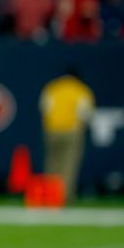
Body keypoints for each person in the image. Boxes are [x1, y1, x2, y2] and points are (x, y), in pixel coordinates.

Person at [39, 66, 95, 202]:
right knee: (69, 165)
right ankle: (64, 197)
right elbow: (86, 113)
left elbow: (44, 108)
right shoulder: (81, 90)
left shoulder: (53, 87)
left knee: (52, 163)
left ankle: (50, 195)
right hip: (72, 131)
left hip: (52, 130)